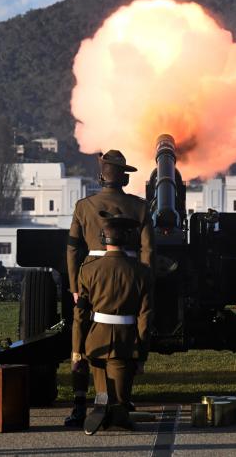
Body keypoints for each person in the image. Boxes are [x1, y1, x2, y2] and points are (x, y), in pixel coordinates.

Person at [64, 149, 155, 427]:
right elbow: (148, 250)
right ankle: (121, 399)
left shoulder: (83, 206)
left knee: (82, 335)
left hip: (90, 275)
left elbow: (72, 249)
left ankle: (81, 401)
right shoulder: (140, 207)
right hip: (129, 275)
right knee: (127, 336)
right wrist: (145, 281)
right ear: (124, 179)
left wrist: (74, 286)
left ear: (100, 177)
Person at [72, 211, 153, 435]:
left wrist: (77, 350)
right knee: (120, 392)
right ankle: (117, 415)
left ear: (102, 239)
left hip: (96, 338)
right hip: (126, 338)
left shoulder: (88, 269)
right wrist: (142, 352)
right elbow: (145, 316)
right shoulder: (141, 272)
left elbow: (80, 314)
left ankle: (107, 413)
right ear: (126, 240)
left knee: (102, 388)